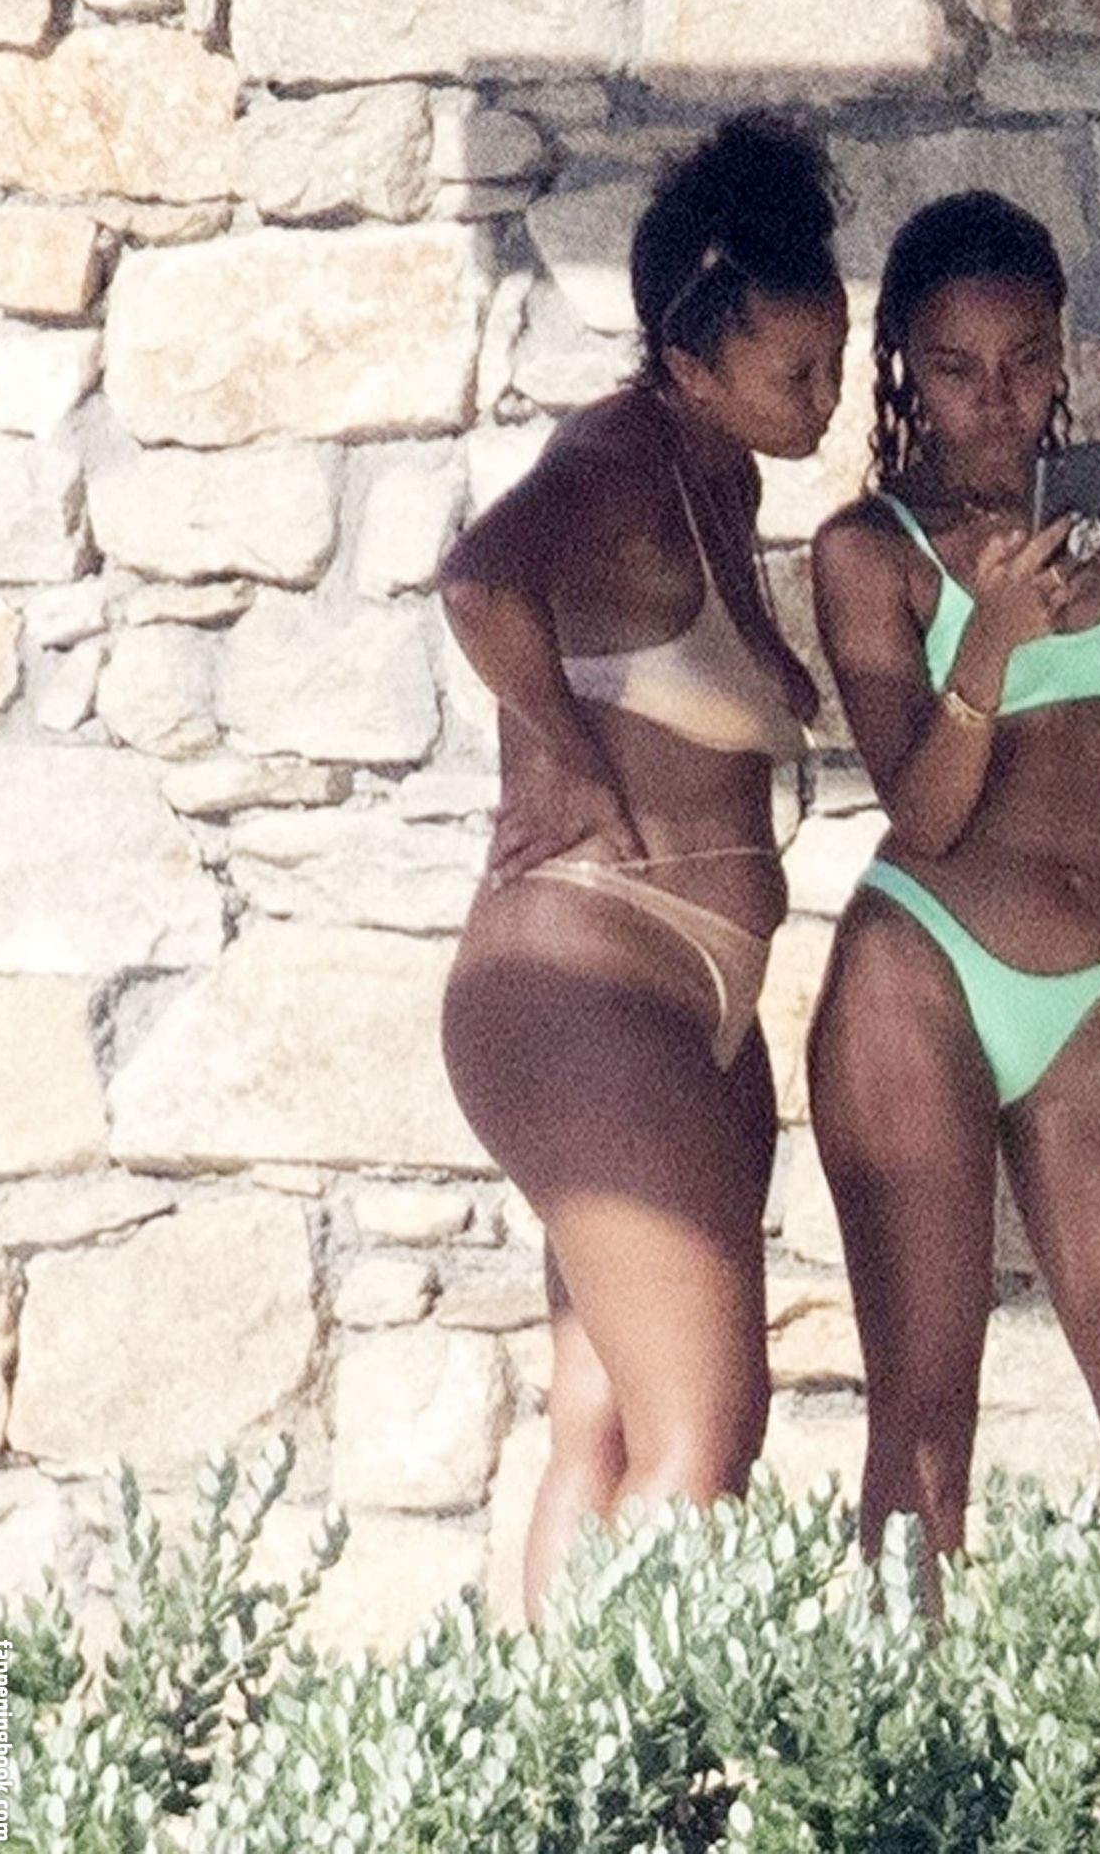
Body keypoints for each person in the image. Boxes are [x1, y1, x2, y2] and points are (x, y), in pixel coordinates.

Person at [806, 191, 1100, 1576]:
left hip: (1093, 1006)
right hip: (922, 975)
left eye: (1025, 359)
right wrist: (992, 642)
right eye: (958, 368)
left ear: (1063, 351)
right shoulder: (869, 552)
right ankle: (895, 1712)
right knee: (925, 1433)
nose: (997, 397)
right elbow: (926, 810)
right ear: (907, 366)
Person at [438, 111, 847, 1624]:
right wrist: (556, 750)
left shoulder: (719, 477)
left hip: (681, 1007)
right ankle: (634, 1750)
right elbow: (478, 578)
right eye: (794, 374)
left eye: (833, 360)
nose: (825, 400)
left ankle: (557, 1745)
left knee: (607, 1431)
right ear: (688, 364)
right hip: (585, 984)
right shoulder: (614, 456)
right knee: (706, 1438)